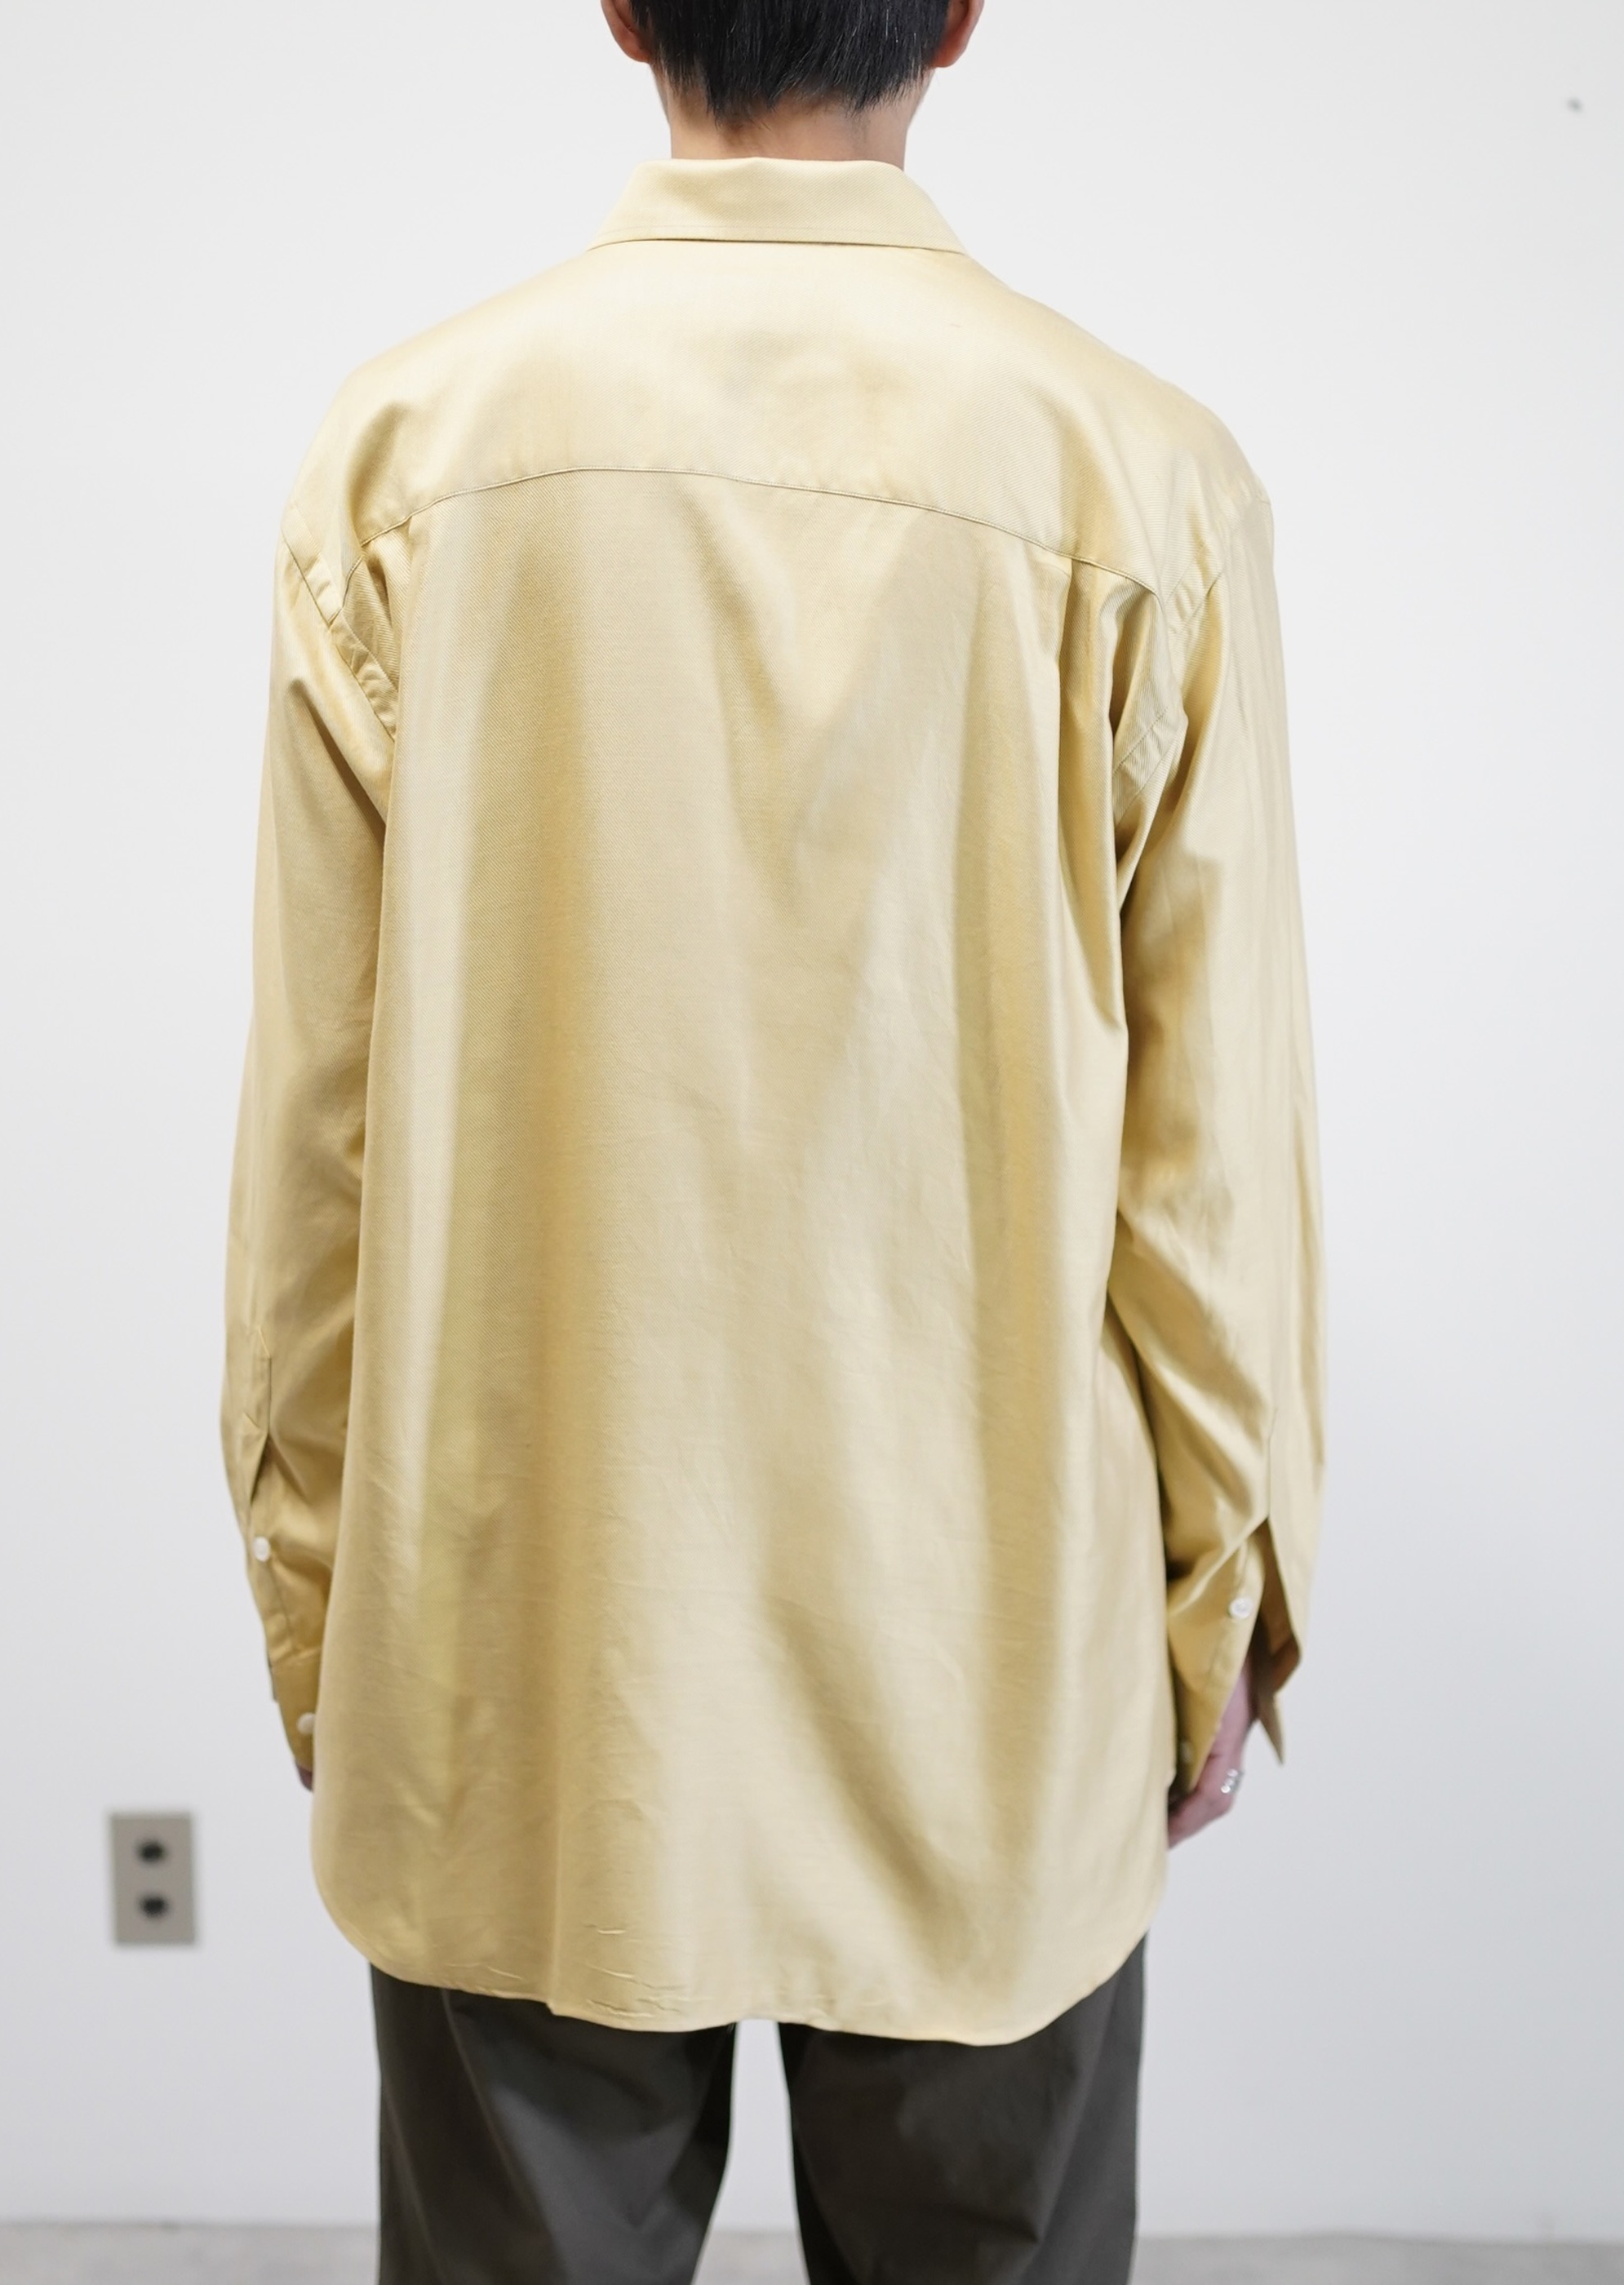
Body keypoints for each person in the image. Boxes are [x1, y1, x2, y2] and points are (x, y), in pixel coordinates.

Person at [220, 1, 1324, 2276]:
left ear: (621, 10)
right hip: (987, 1650)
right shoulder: (1141, 475)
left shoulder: (408, 453)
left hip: (529, 1629)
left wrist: (320, 1597)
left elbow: (321, 1122)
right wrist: (1223, 1591)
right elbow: (1204, 1150)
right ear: (958, 15)